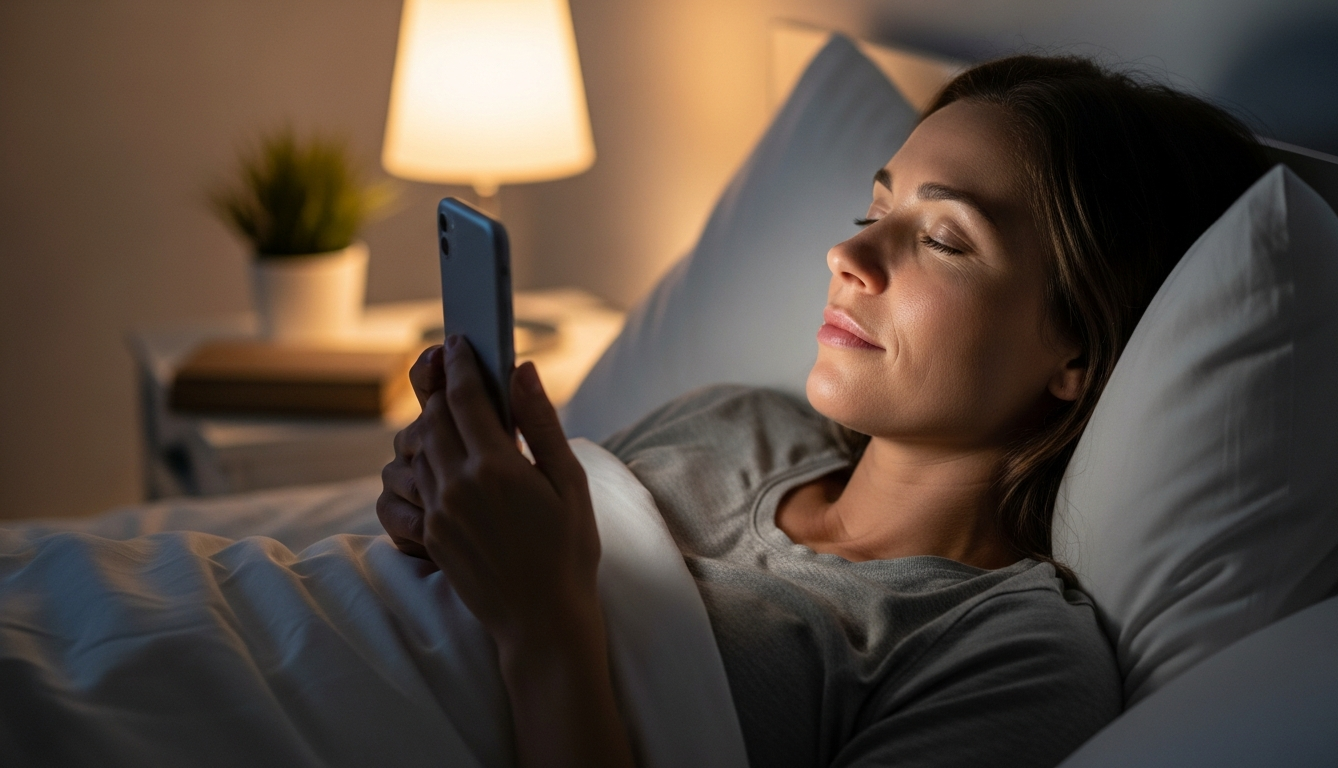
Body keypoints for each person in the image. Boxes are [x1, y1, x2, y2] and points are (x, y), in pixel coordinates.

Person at [377, 55, 1270, 768]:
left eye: (944, 238)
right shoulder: (728, 424)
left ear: (1076, 350)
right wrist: (441, 520)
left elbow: (530, 615)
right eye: (874, 209)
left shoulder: (1006, 656)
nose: (849, 253)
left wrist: (543, 625)